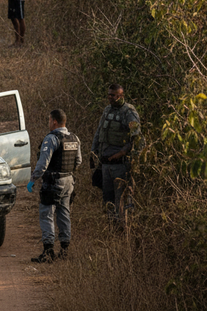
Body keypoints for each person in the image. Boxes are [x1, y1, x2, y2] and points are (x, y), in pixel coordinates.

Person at [26, 109, 82, 263]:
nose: (48, 123)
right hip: (69, 181)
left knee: (47, 214)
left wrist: (33, 179)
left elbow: (43, 163)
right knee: (64, 213)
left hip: (53, 182)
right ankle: (64, 250)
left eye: (49, 120)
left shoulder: (51, 138)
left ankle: (48, 250)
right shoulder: (74, 138)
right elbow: (78, 162)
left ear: (54, 121)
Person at [91, 84, 141, 228]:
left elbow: (136, 138)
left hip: (120, 165)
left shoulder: (129, 112)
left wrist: (121, 153)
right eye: (109, 94)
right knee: (108, 200)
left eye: (113, 95)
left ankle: (122, 231)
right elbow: (99, 132)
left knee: (121, 201)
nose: (110, 97)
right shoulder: (107, 110)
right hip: (105, 164)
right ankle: (112, 229)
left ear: (120, 96)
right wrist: (93, 152)